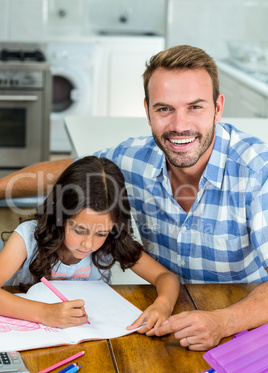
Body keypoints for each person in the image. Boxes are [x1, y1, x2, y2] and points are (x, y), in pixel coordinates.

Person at [0, 44, 268, 350]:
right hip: (163, 320)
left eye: (195, 107)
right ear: (148, 110)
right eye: (164, 108)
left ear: (218, 108)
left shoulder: (258, 170)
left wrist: (224, 322)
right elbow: (68, 172)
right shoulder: (133, 158)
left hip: (241, 319)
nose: (179, 125)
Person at [0, 156, 179, 331]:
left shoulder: (112, 242)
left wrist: (163, 304)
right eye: (79, 230)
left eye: (101, 233)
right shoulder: (27, 238)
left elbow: (165, 276)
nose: (88, 244)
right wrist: (45, 312)